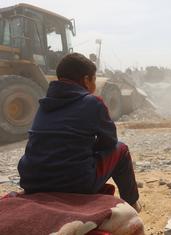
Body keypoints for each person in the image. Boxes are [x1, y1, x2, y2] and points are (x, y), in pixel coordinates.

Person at [17, 53, 141, 212]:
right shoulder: (93, 103)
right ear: (86, 80)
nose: (95, 85)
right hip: (76, 183)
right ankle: (132, 203)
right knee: (121, 149)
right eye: (94, 80)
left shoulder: (44, 104)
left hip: (32, 181)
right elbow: (109, 142)